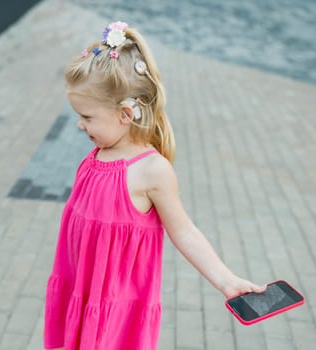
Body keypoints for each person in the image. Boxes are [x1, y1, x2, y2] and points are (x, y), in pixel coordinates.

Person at [44, 21, 266, 350]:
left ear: (125, 113)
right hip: (82, 291)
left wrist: (226, 280)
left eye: (87, 117)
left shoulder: (152, 171)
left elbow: (184, 231)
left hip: (115, 311)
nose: (80, 125)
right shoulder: (96, 156)